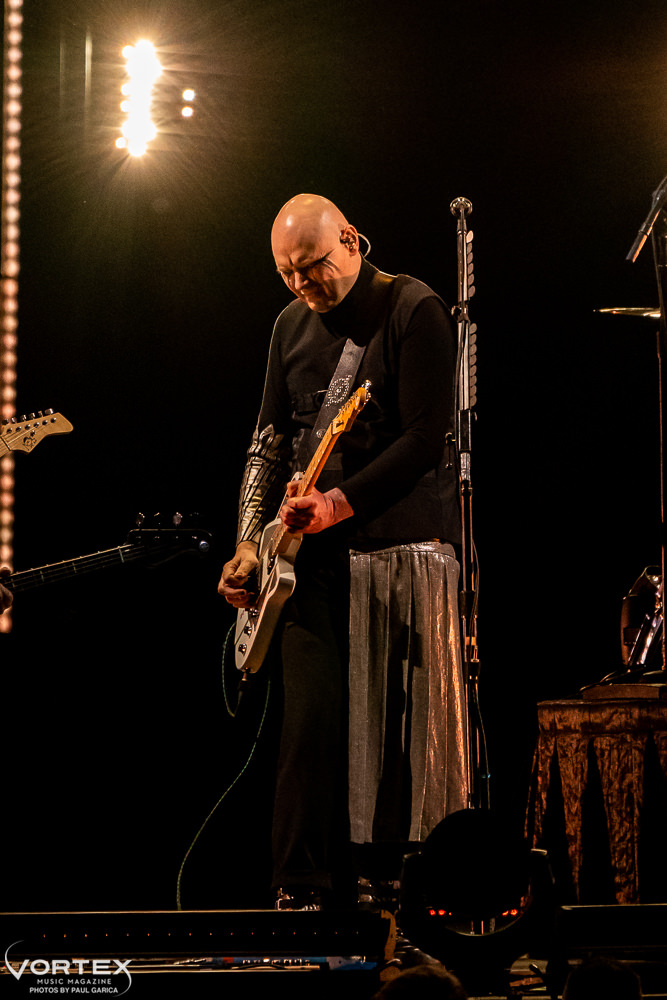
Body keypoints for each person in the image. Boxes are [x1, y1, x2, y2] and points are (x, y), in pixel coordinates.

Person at [218, 193, 468, 909]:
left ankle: (396, 881)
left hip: (396, 547)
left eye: (313, 267)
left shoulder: (412, 310)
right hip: (304, 559)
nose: (302, 285)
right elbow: (267, 443)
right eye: (286, 273)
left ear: (353, 241)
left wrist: (338, 502)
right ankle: (297, 888)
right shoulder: (287, 326)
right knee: (309, 721)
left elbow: (423, 440)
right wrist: (245, 544)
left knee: (393, 727)